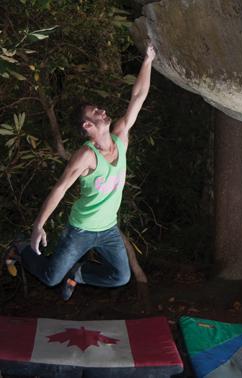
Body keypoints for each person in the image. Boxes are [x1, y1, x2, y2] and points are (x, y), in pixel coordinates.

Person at [6, 43, 156, 301]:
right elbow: (60, 188)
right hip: (80, 231)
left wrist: (148, 60)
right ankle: (19, 248)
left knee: (121, 276)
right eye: (96, 112)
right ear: (88, 125)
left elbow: (138, 96)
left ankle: (80, 274)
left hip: (108, 230)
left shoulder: (121, 136)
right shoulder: (86, 156)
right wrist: (38, 226)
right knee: (52, 277)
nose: (103, 110)